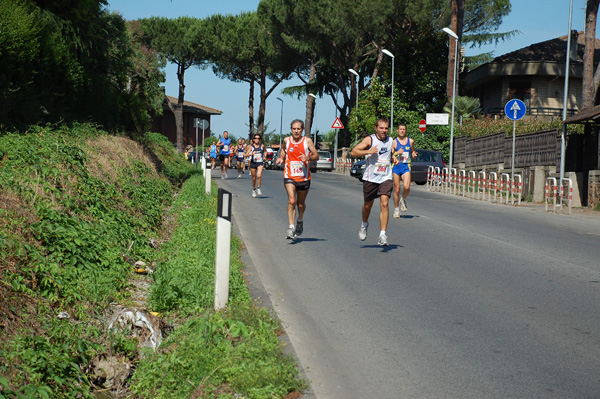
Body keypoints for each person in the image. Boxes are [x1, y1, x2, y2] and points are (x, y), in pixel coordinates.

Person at [350, 117, 398, 246]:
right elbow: (353, 152)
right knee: (368, 205)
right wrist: (368, 151)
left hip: (385, 177)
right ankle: (364, 224)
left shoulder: (390, 140)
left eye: (386, 128)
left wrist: (394, 158)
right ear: (376, 128)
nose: (384, 130)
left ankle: (382, 235)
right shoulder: (370, 140)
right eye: (381, 128)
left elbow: (389, 153)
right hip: (371, 178)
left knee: (384, 203)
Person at [276, 119, 319, 239]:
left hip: (303, 176)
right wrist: (281, 158)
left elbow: (316, 155)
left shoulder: (307, 141)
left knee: (300, 204)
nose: (296, 131)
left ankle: (300, 220)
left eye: (298, 129)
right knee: (292, 200)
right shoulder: (287, 140)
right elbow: (283, 150)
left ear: (302, 130)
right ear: (291, 129)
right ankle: (291, 227)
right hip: (289, 175)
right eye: (294, 129)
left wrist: (308, 157)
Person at [391, 123, 418, 218]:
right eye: (400, 129)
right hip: (396, 167)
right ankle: (396, 210)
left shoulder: (410, 141)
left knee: (407, 187)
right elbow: (390, 155)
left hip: (406, 166)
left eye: (404, 129)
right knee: (397, 189)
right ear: (397, 130)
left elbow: (412, 151)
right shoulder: (394, 142)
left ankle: (402, 199)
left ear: (406, 131)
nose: (402, 131)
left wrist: (414, 154)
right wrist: (396, 154)